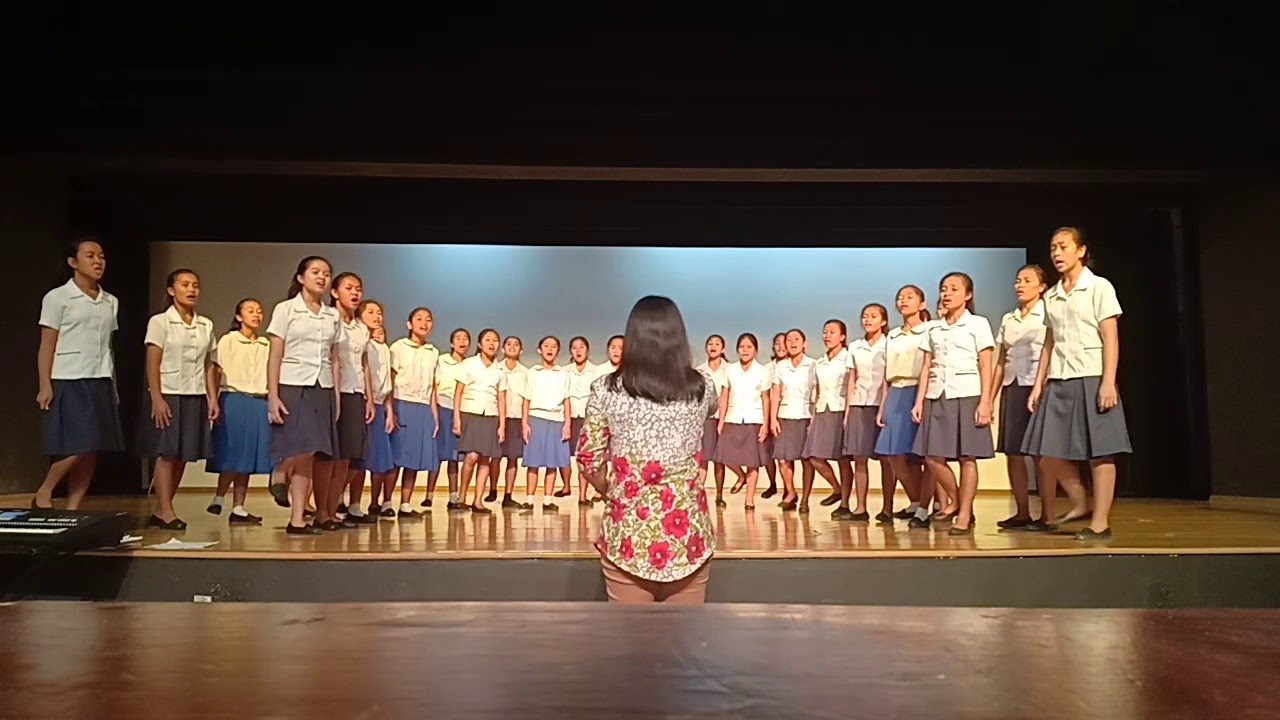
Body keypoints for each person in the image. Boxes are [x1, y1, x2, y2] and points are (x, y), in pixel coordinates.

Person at [578, 296, 717, 603]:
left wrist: (610, 489)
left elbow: (589, 459)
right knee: (687, 633)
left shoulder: (605, 389)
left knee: (630, 634)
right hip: (688, 538)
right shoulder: (703, 387)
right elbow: (711, 410)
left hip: (628, 536)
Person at [1024, 227, 1131, 540]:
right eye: (1053, 248)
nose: (1057, 253)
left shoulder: (1099, 287)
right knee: (1045, 452)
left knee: (1101, 451)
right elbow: (1049, 342)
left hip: (1092, 375)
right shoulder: (1052, 295)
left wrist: (1108, 381)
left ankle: (1100, 523)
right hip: (1059, 377)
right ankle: (1080, 500)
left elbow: (1110, 336)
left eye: (1063, 246)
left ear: (1081, 251)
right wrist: (1038, 384)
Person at [33, 236, 124, 510]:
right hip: (69, 377)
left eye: (101, 256)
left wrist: (113, 385)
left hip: (101, 377)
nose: (98, 261)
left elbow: (108, 346)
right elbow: (47, 344)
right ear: (73, 262)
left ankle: (73, 508)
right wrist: (45, 384)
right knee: (79, 443)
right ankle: (45, 491)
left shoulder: (110, 301)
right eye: (90, 256)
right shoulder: (58, 297)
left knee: (92, 447)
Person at [911, 272, 996, 535]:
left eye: (954, 289)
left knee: (967, 457)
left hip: (967, 394)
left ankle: (964, 514)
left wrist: (985, 401)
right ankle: (959, 501)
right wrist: (919, 401)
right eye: (944, 289)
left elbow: (985, 365)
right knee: (932, 457)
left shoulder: (978, 324)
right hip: (936, 394)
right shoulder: (933, 328)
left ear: (967, 295)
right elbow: (926, 366)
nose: (947, 293)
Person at [266, 256, 341, 536]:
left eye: (326, 273)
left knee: (313, 452)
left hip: (322, 385)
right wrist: (273, 395)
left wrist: (336, 396)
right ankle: (281, 469)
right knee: (305, 444)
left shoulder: (332, 315)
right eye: (315, 272)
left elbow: (334, 359)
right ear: (300, 277)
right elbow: (275, 354)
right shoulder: (286, 309)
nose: (322, 277)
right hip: (292, 383)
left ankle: (297, 519)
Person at [140, 269, 218, 530]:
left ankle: (163, 508)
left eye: (195, 285)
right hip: (169, 393)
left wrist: (212, 398)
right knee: (166, 452)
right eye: (185, 285)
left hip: (195, 394)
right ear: (171, 291)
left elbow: (208, 364)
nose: (191, 289)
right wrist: (156, 397)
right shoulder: (160, 322)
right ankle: (166, 510)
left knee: (184, 454)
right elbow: (153, 361)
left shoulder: (205, 324)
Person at [991, 265, 1054, 529]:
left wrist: (1042, 385)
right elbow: (1002, 360)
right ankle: (1022, 512)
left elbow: (1051, 350)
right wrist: (990, 398)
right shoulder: (1009, 318)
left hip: (1038, 386)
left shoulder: (1047, 314)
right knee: (1013, 453)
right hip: (1013, 386)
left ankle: (1048, 515)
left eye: (1027, 281)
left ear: (1041, 287)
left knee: (1040, 453)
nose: (1020, 285)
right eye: (1018, 281)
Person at [207, 298, 270, 525]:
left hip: (259, 402)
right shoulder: (228, 340)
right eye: (250, 310)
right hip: (233, 399)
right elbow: (216, 371)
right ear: (239, 316)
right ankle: (219, 497)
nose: (256, 314)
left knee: (249, 457)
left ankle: (239, 508)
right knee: (232, 450)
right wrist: (213, 400)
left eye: (259, 311)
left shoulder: (266, 344)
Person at [874, 286, 931, 520]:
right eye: (900, 298)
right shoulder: (893, 335)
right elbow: (887, 373)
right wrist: (883, 406)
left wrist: (921, 399)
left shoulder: (930, 329)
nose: (903, 301)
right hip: (896, 391)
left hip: (919, 389)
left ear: (922, 304)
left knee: (923, 455)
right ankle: (916, 500)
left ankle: (928, 506)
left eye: (909, 297)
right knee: (893, 453)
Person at [325, 272, 374, 528]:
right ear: (334, 293)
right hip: (331, 390)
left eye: (358, 288)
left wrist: (369, 397)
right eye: (349, 288)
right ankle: (321, 511)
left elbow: (364, 364)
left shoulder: (361, 328)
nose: (355, 293)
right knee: (328, 457)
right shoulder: (328, 320)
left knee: (347, 457)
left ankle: (333, 509)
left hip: (355, 393)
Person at [389, 308, 440, 518]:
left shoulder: (433, 352)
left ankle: (405, 504)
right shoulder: (398, 347)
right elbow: (390, 380)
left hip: (423, 407)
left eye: (428, 319)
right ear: (409, 324)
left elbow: (433, 387)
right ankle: (385, 502)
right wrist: (390, 409)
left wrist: (434, 416)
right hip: (401, 402)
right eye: (419, 319)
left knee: (414, 460)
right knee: (397, 458)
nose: (424, 323)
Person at [841, 304, 889, 522]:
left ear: (883, 321)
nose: (867, 320)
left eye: (873, 316)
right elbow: (852, 378)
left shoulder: (889, 344)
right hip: (859, 404)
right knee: (859, 457)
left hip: (882, 403)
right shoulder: (855, 346)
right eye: (865, 316)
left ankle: (887, 508)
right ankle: (860, 507)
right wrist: (848, 409)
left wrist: (885, 407)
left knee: (886, 459)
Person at [453, 328, 508, 513]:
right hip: (470, 413)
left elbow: (501, 398)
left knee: (485, 459)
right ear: (479, 344)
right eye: (488, 340)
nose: (492, 343)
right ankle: (462, 497)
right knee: (472, 456)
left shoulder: (500, 369)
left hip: (490, 415)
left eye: (495, 340)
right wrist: (457, 418)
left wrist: (502, 426)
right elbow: (458, 392)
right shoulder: (469, 364)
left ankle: (477, 501)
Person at [715, 333, 772, 509]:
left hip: (754, 419)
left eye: (749, 347)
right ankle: (741, 476)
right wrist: (721, 420)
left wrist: (766, 423)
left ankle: (749, 500)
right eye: (742, 347)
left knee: (752, 462)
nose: (745, 350)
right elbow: (724, 395)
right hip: (732, 418)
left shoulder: (762, 371)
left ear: (755, 350)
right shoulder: (730, 370)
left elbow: (766, 398)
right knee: (723, 456)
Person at [803, 320, 852, 512]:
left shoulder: (848, 358)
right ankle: (836, 488)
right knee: (813, 456)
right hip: (822, 410)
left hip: (841, 409)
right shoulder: (819, 363)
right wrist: (813, 417)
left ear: (842, 336)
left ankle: (845, 503)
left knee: (843, 459)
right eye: (825, 332)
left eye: (832, 332)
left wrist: (848, 414)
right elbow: (817, 391)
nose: (827, 336)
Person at [520, 336, 572, 511]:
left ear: (558, 351)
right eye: (546, 346)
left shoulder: (563, 374)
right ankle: (529, 499)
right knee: (533, 462)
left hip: (556, 420)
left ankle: (548, 500)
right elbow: (526, 399)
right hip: (536, 418)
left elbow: (567, 401)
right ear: (539, 350)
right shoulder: (533, 372)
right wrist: (524, 423)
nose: (550, 349)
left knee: (552, 462)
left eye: (554, 346)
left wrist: (567, 424)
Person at [353, 299, 393, 522]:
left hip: (377, 405)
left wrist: (388, 409)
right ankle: (347, 504)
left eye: (379, 312)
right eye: (371, 312)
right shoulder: (359, 341)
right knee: (356, 459)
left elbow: (385, 382)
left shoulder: (382, 348)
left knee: (374, 460)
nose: (377, 316)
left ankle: (362, 505)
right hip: (359, 401)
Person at [769, 329, 813, 511]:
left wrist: (815, 418)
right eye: (789, 340)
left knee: (807, 460)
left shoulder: (812, 365)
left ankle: (805, 499)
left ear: (804, 343)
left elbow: (817, 392)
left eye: (796, 339)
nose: (792, 343)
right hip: (785, 415)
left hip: (806, 415)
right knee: (782, 459)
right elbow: (775, 394)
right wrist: (773, 419)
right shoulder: (781, 366)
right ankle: (791, 492)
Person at [431, 327, 469, 510]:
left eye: (465, 338)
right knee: (438, 454)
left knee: (454, 456)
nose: (462, 341)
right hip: (442, 407)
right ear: (451, 343)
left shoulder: (469, 365)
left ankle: (454, 497)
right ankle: (429, 495)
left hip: (460, 410)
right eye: (458, 338)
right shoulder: (442, 360)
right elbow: (434, 386)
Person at [490, 335, 527, 509]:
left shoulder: (525, 373)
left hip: (516, 419)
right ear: (503, 349)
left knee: (513, 458)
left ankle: (508, 495)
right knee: (495, 456)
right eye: (509, 344)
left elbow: (527, 399)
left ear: (521, 350)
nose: (512, 347)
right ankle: (492, 490)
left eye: (516, 344)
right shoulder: (495, 369)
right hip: (497, 417)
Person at [694, 335, 729, 507]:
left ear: (723, 349)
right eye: (710, 343)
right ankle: (699, 494)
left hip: (725, 418)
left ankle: (720, 495)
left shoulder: (729, 369)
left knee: (719, 459)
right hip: (706, 419)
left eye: (717, 344)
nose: (713, 346)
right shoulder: (699, 371)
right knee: (704, 457)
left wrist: (723, 419)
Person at [563, 336, 596, 504]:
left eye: (581, 347)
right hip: (567, 418)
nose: (578, 351)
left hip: (588, 419)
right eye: (574, 347)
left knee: (584, 459)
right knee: (563, 456)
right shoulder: (564, 371)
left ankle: (583, 496)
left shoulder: (595, 371)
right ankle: (566, 486)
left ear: (587, 350)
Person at [760, 332, 788, 499]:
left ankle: (787, 489)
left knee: (783, 455)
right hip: (767, 414)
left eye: (784, 343)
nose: (780, 346)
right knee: (767, 452)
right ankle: (772, 483)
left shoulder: (793, 366)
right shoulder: (767, 368)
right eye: (777, 343)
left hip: (784, 414)